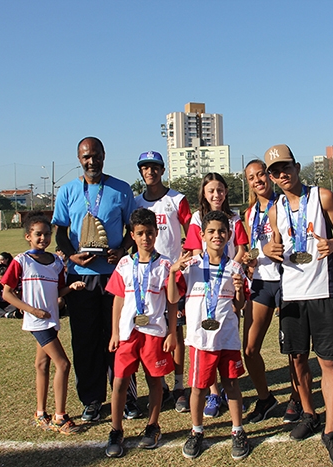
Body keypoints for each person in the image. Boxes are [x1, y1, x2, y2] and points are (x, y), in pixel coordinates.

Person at [262, 144, 333, 467]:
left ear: (297, 167)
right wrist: (271, 250)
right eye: (275, 171)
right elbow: (275, 244)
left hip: (321, 292)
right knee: (297, 360)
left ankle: (330, 430)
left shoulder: (322, 196)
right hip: (291, 295)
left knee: (327, 362)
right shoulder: (275, 209)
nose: (281, 175)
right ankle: (310, 413)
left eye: (286, 167)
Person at [52, 136, 136, 422]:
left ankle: (125, 397)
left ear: (104, 155)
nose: (91, 161)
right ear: (79, 158)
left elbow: (132, 230)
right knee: (85, 340)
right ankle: (91, 399)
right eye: (86, 156)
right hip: (81, 277)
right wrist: (71, 256)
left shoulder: (122, 189)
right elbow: (61, 232)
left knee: (120, 338)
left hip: (114, 276)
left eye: (96, 155)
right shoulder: (67, 191)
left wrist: (122, 250)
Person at [168, 210, 251, 460]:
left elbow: (239, 306)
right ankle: (196, 431)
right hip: (201, 341)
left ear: (229, 236)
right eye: (211, 231)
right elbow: (172, 298)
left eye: (222, 231)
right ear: (202, 235)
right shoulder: (190, 266)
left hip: (227, 339)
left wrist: (238, 291)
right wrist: (173, 272)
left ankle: (237, 430)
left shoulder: (236, 268)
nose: (217, 235)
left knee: (232, 384)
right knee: (199, 388)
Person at [1, 212, 85, 435]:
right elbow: (7, 293)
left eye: (47, 234)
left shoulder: (56, 262)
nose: (43, 239)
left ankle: (40, 413)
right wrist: (31, 310)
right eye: (38, 234)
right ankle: (60, 417)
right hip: (37, 322)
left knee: (42, 365)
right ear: (28, 236)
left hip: (51, 321)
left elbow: (58, 291)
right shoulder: (21, 260)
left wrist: (71, 288)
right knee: (64, 365)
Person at [103, 208, 178, 457]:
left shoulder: (166, 265)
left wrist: (172, 333)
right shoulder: (125, 263)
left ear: (156, 234)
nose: (145, 238)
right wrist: (114, 332)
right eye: (140, 233)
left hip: (154, 332)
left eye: (150, 233)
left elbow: (172, 302)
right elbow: (118, 300)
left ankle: (152, 425)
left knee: (154, 380)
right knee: (120, 381)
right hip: (127, 332)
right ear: (132, 236)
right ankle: (116, 430)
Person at [183, 172, 248, 417]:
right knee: (206, 339)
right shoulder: (197, 219)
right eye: (211, 191)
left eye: (220, 190)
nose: (216, 195)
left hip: (228, 280)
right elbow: (193, 250)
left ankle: (229, 390)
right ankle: (213, 392)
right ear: (204, 193)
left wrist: (233, 268)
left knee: (227, 333)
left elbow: (241, 247)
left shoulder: (234, 217)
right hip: (203, 280)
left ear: (226, 192)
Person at [134, 150, 192, 414]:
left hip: (172, 276)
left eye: (154, 167)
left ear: (162, 170)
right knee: (150, 332)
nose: (150, 172)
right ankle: (160, 384)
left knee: (175, 331)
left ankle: (179, 387)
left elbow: (192, 231)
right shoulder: (135, 202)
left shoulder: (176, 198)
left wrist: (184, 259)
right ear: (141, 172)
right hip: (146, 277)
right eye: (145, 168)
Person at [241, 159, 288, 423]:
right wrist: (252, 256)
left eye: (261, 174)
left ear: (269, 177)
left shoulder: (283, 205)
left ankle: (296, 399)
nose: (257, 180)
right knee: (249, 348)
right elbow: (254, 248)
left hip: (286, 281)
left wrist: (273, 249)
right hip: (260, 283)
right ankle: (265, 398)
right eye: (251, 177)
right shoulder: (250, 213)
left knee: (293, 349)